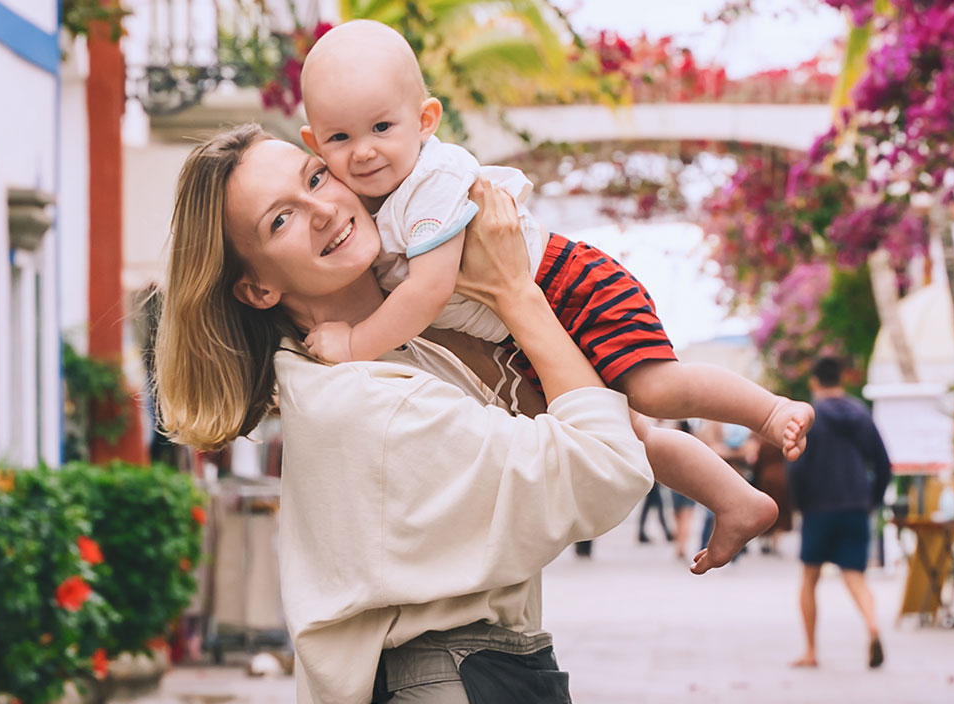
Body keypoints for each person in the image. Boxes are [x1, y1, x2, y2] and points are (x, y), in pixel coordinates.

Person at [151, 124, 646, 704]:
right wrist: (516, 290)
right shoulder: (373, 403)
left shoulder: (399, 353)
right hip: (459, 678)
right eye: (279, 220)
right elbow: (608, 467)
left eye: (315, 177)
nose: (321, 209)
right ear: (257, 288)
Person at [287, 20, 799, 570]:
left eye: (382, 127)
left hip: (568, 286)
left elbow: (429, 291)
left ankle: (768, 411)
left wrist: (354, 343)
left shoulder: (429, 182)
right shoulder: (365, 201)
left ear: (425, 120)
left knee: (655, 388)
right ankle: (736, 500)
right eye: (340, 139)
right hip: (524, 329)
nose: (363, 152)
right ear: (314, 145)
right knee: (632, 437)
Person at [787, 355, 893, 670]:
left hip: (819, 506)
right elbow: (884, 463)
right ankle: (872, 625)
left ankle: (810, 651)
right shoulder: (861, 414)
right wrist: (871, 499)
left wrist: (799, 504)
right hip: (856, 505)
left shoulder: (812, 417)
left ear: (814, 382)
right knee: (855, 577)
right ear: (841, 380)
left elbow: (796, 463)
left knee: (809, 578)